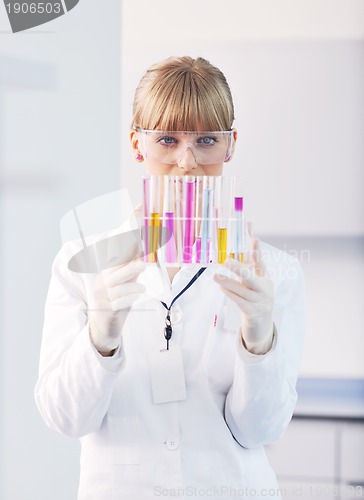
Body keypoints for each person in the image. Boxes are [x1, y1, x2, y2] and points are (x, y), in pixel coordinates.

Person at [35, 56, 305, 500]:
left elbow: (261, 429)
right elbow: (67, 419)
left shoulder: (274, 272)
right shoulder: (80, 262)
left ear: (230, 145)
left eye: (206, 140)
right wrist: (100, 338)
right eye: (166, 139)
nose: (187, 161)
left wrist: (259, 343)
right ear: (136, 145)